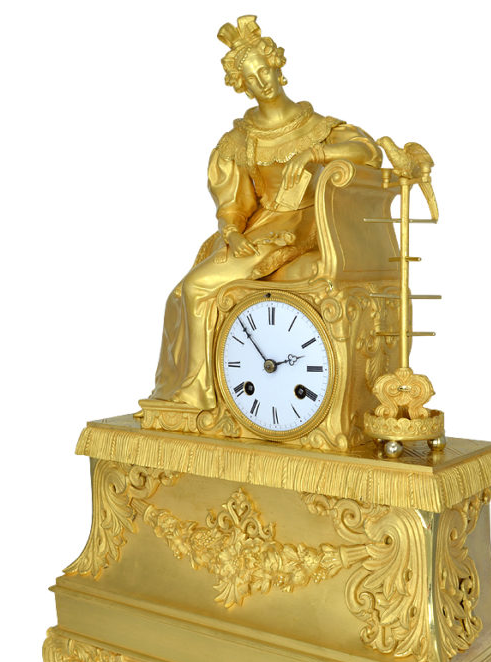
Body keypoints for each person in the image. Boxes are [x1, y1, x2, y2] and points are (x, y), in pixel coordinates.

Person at [152, 15, 382, 410]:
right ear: (241, 85)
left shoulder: (319, 127)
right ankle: (205, 389)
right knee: (182, 293)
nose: (263, 82)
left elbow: (369, 152)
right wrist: (232, 232)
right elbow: (234, 204)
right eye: (252, 78)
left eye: (265, 70)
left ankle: (197, 392)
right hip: (261, 229)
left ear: (277, 65)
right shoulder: (239, 141)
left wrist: (316, 154)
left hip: (307, 225)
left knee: (196, 289)